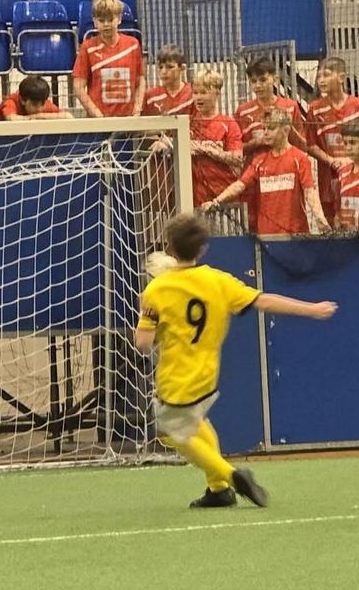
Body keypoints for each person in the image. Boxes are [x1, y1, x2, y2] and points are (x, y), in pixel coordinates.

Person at [135, 214, 337, 508]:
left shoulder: (156, 291)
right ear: (202, 249)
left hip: (176, 379)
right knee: (196, 422)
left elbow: (142, 344)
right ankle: (218, 491)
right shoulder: (219, 281)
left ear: (169, 248)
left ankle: (230, 476)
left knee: (169, 433)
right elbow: (264, 301)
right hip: (207, 377)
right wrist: (312, 309)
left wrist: (152, 325)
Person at [199, 108, 331, 235]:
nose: (266, 133)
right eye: (265, 128)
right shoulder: (260, 160)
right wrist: (216, 201)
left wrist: (320, 219)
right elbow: (240, 185)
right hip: (266, 236)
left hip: (295, 235)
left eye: (271, 128)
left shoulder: (300, 158)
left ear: (286, 131)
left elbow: (310, 192)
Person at [305, 57, 359, 224]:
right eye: (319, 77)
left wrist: (352, 159)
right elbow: (310, 145)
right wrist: (332, 161)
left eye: (326, 75)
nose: (321, 80)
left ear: (341, 77)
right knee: (334, 226)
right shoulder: (315, 109)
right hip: (329, 180)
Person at [235, 56, 306, 231]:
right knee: (254, 229)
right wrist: (257, 142)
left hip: (285, 179)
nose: (258, 85)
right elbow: (237, 150)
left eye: (263, 80)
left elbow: (304, 146)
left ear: (274, 78)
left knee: (289, 226)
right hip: (254, 180)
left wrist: (287, 128)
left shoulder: (290, 106)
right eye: (253, 81)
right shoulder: (243, 111)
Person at [73, 0, 145, 118]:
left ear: (119, 19)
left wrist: (137, 110)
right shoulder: (87, 48)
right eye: (101, 20)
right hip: (99, 121)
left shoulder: (133, 45)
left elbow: (140, 81)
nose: (106, 24)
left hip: (128, 120)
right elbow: (78, 86)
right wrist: (97, 114)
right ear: (95, 22)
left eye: (110, 20)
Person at [189, 70, 243, 209]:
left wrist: (210, 151)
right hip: (197, 200)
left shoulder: (228, 124)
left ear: (217, 93)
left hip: (225, 199)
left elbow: (237, 158)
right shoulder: (188, 124)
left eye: (204, 92)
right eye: (196, 93)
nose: (198, 97)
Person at [0, 75, 72, 121]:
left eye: (42, 104)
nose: (40, 109)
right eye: (35, 105)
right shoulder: (11, 101)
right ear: (22, 100)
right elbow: (12, 118)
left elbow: (68, 116)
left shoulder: (41, 100)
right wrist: (37, 117)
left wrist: (41, 116)